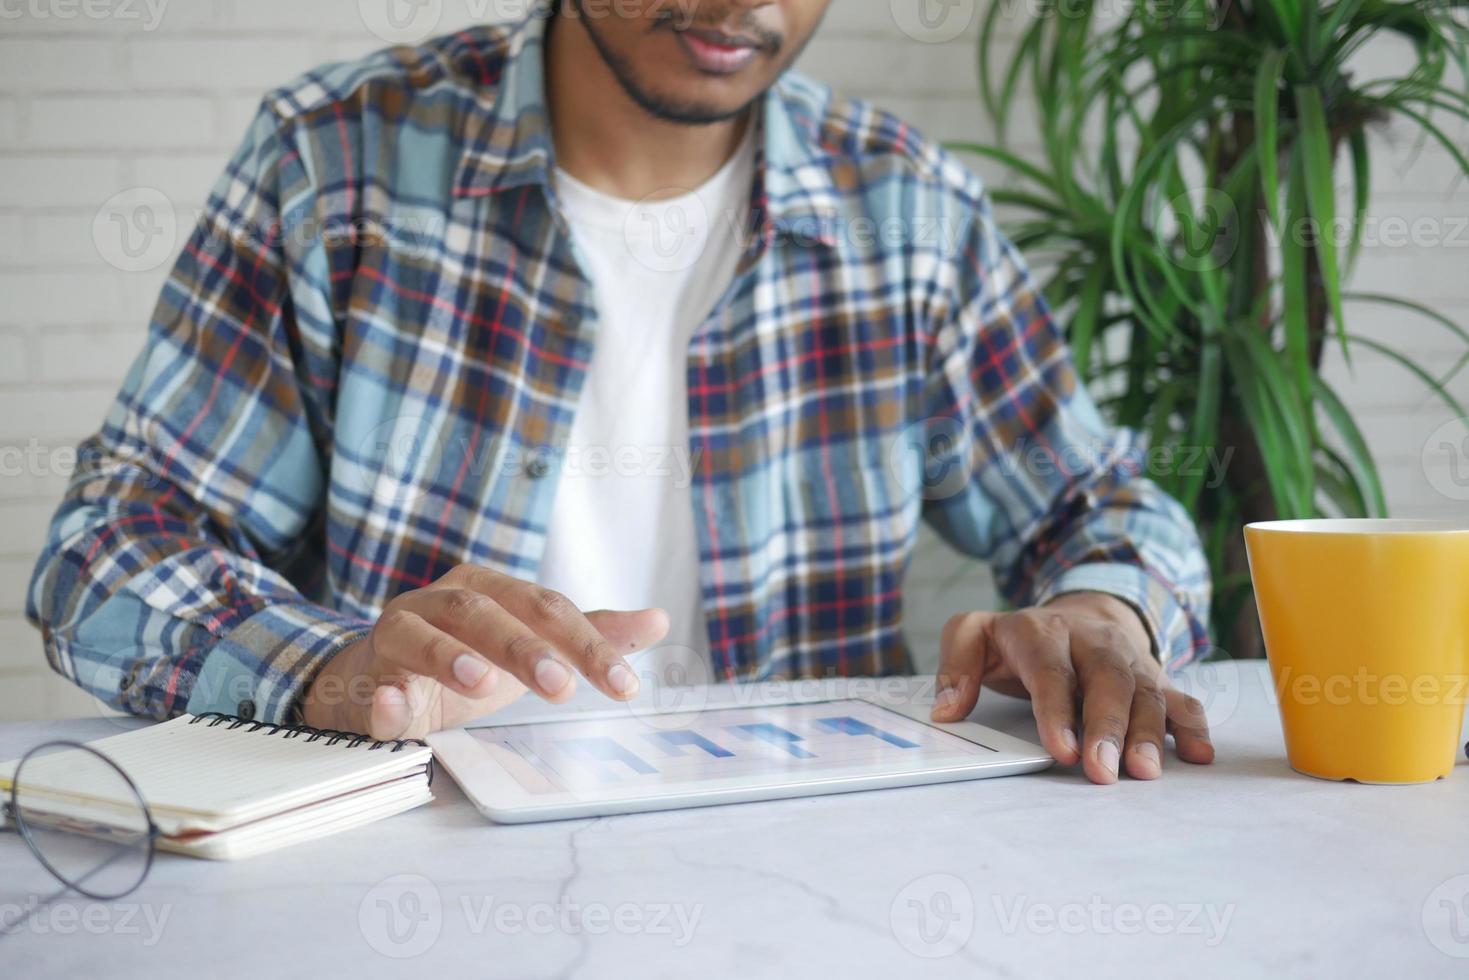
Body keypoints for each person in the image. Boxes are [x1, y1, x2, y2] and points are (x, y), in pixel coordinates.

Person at [27, 0, 1215, 784]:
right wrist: (327, 666)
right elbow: (105, 549)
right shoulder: (337, 163)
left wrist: (1103, 611)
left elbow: (1104, 504)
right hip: (417, 865)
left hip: (823, 876)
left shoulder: (903, 211)